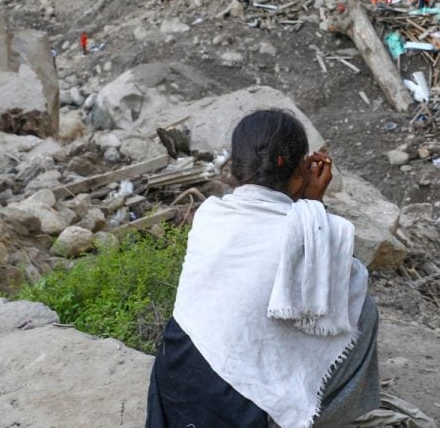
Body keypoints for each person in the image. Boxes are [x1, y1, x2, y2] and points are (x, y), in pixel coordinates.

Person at [147, 110, 379, 428]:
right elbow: (339, 283)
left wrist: (306, 204)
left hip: (173, 386)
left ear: (234, 165)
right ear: (299, 172)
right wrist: (313, 203)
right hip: (237, 413)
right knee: (363, 311)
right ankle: (299, 414)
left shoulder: (210, 214)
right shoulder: (309, 231)